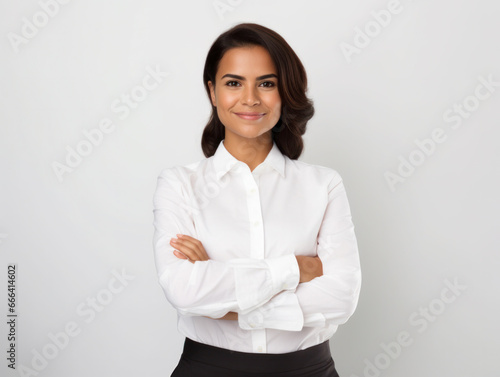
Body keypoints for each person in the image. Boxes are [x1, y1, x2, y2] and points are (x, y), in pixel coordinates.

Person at [152, 22, 361, 377]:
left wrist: (224, 298)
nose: (250, 98)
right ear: (213, 92)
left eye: (266, 83)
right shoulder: (179, 185)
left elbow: (341, 297)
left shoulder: (323, 185)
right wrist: (295, 269)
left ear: (285, 93)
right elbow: (186, 292)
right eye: (233, 83)